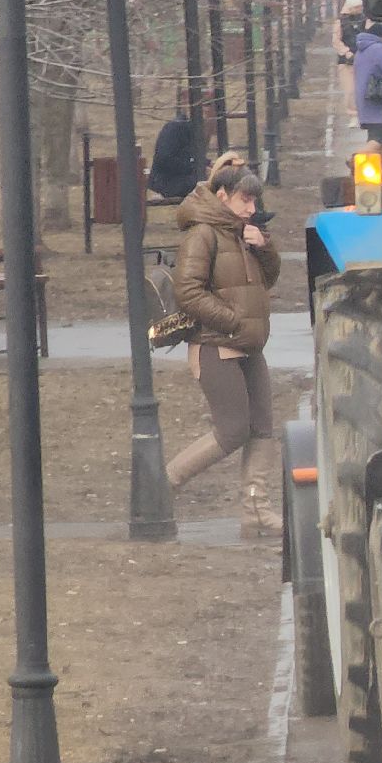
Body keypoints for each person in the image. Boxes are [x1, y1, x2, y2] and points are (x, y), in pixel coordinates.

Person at [165, 160, 283, 541]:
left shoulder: (243, 231)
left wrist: (264, 249)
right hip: (216, 346)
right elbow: (188, 291)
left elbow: (269, 279)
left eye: (254, 200)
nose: (252, 208)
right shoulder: (202, 234)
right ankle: (163, 485)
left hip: (249, 346)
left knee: (263, 428)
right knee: (232, 430)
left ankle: (256, 512)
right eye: (245, 200)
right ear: (222, 196)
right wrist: (232, 320)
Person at [354, 20, 382, 146]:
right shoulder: (378, 49)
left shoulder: (362, 48)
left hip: (367, 102)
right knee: (379, 139)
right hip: (378, 102)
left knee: (376, 138)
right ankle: (356, 159)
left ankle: (377, 165)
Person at [149, 108, 200, 200]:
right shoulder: (175, 128)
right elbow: (164, 159)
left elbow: (191, 155)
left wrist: (207, 163)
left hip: (181, 178)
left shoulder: (194, 130)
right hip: (167, 182)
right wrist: (195, 167)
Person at [336, 0, 364, 129]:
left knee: (364, 88)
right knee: (350, 90)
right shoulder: (340, 22)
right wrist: (346, 52)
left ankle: (364, 114)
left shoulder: (364, 20)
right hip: (346, 62)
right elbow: (336, 41)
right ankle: (353, 115)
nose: (359, 10)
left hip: (363, 58)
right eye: (356, 7)